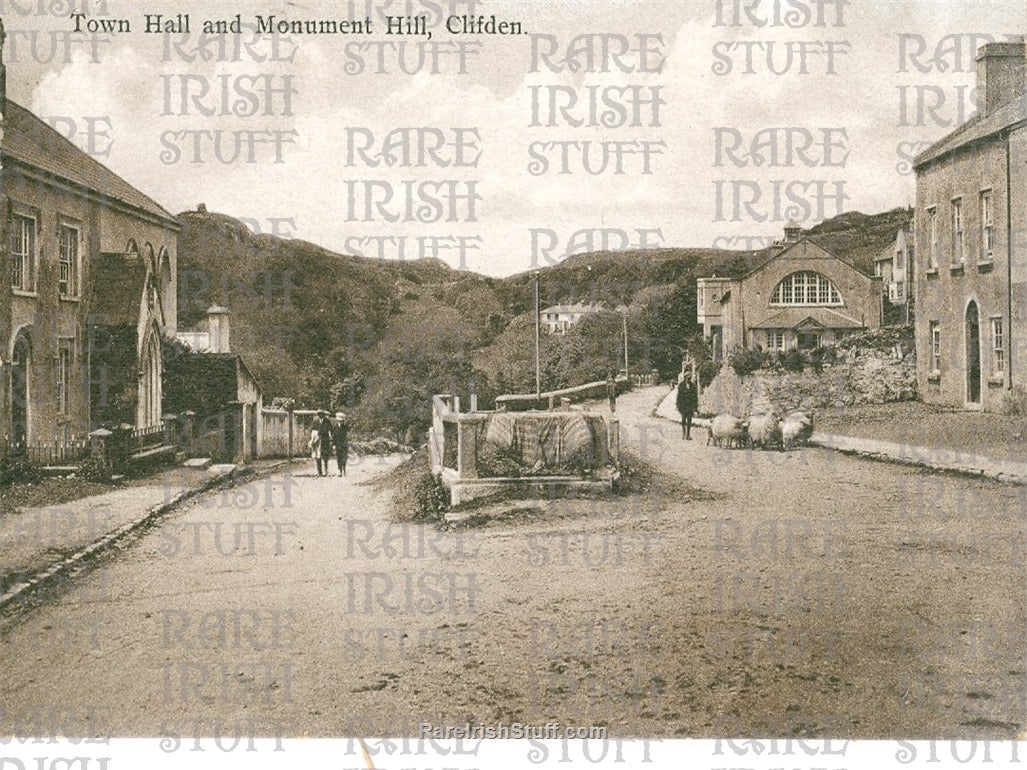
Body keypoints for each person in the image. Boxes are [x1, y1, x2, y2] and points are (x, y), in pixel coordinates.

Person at [314, 410, 333, 476]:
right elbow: (313, 429)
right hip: (318, 440)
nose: (320, 415)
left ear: (323, 414)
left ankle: (326, 471)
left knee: (325, 456)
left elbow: (331, 429)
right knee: (318, 456)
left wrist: (330, 439)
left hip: (325, 440)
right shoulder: (316, 421)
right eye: (319, 414)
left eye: (321, 414)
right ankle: (319, 472)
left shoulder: (327, 421)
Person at [332, 412, 350, 476]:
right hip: (337, 444)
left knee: (344, 457)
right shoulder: (334, 427)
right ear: (337, 420)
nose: (340, 422)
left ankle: (344, 469)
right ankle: (339, 469)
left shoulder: (345, 427)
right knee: (338, 457)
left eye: (341, 421)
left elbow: (348, 433)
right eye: (339, 421)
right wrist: (333, 444)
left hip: (344, 444)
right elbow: (333, 436)